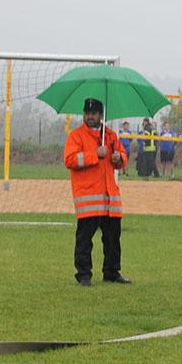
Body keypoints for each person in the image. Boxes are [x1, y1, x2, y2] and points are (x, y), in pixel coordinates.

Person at [64, 98, 131, 286]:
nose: (89, 116)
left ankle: (112, 272)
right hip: (89, 199)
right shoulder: (76, 136)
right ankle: (84, 274)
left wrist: (119, 158)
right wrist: (95, 154)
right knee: (84, 240)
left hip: (110, 198)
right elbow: (69, 160)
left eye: (93, 113)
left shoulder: (110, 136)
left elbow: (122, 157)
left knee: (113, 239)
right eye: (87, 113)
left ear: (101, 115)